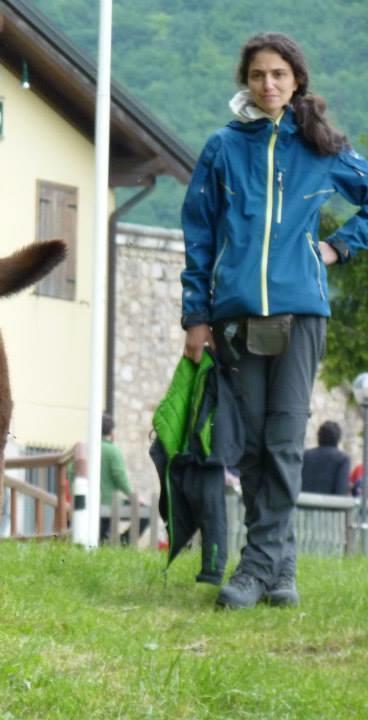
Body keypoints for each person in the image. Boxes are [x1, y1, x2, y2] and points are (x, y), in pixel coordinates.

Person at [180, 32, 368, 609]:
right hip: (236, 316)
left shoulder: (320, 149)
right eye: (259, 75)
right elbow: (199, 235)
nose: (268, 84)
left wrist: (340, 246)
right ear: (247, 80)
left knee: (285, 439)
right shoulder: (222, 148)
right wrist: (196, 316)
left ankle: (256, 565)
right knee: (252, 447)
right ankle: (280, 567)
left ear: (296, 82)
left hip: (301, 313)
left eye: (279, 75)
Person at [99, 412, 133, 543]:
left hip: (91, 501)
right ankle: (123, 541)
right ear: (111, 432)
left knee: (100, 534)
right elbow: (120, 477)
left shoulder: (86, 448)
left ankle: (106, 542)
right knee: (145, 513)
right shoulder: (113, 451)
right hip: (109, 502)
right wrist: (132, 495)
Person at [301, 421, 350, 496]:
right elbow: (341, 490)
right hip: (329, 505)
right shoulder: (342, 459)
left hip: (303, 503)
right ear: (338, 438)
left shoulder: (305, 455)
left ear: (319, 436)